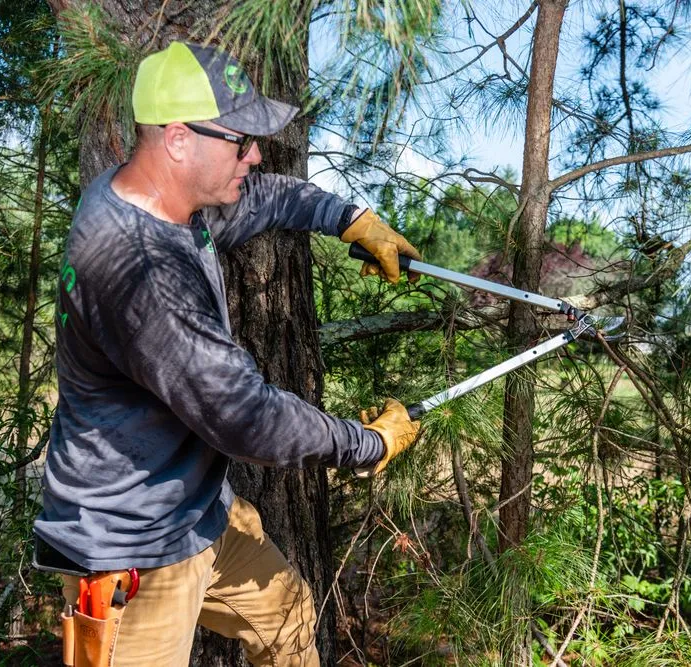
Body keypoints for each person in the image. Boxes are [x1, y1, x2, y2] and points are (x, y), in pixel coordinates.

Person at [33, 41, 421, 667]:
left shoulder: (163, 201)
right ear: (179, 139)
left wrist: (350, 218)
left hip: (194, 511)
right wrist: (366, 444)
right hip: (129, 551)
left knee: (290, 620)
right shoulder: (143, 272)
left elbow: (263, 198)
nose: (256, 154)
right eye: (241, 140)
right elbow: (247, 416)